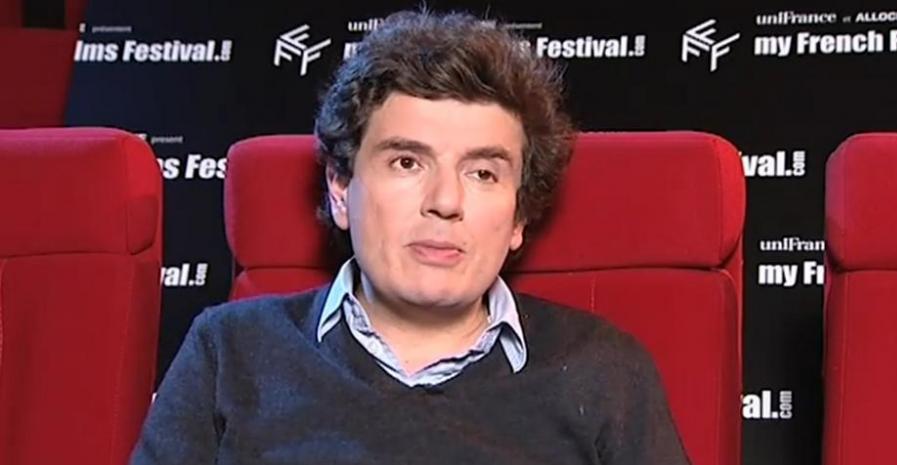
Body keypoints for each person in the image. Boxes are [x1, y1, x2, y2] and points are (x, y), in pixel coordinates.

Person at [130, 8, 690, 465]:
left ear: (519, 217)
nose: (445, 201)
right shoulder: (228, 350)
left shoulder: (603, 369)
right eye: (406, 162)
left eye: (483, 173)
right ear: (341, 189)